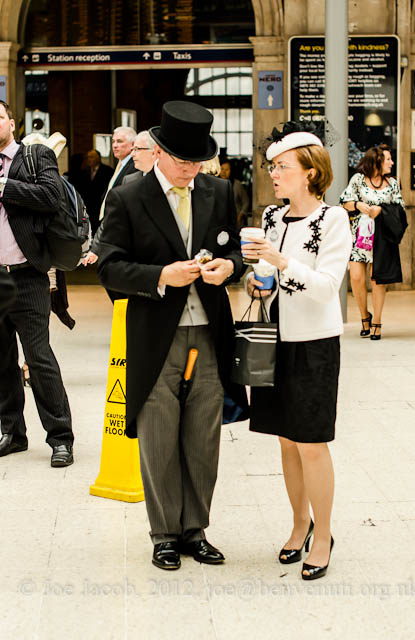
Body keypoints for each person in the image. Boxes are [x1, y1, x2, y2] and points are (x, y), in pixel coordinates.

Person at [98, 100, 247, 571]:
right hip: (155, 334)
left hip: (208, 330)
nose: (190, 171)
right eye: (182, 162)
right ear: (158, 151)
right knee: (158, 433)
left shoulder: (218, 192)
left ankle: (195, 530)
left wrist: (230, 267)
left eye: (197, 162)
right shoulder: (128, 197)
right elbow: (109, 268)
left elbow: (237, 249)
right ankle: (164, 533)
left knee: (204, 436)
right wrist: (162, 275)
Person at [243, 126, 351, 580]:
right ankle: (298, 523)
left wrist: (283, 262)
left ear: (310, 172)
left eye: (282, 167)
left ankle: (323, 534)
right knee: (286, 440)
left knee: (310, 442)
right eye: (272, 167)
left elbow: (327, 288)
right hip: (273, 341)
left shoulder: (333, 220)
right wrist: (255, 280)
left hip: (315, 344)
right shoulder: (270, 217)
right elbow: (263, 276)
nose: (274, 175)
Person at [0, 101, 74, 467]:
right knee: (1, 361)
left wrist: (4, 185)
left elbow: (51, 196)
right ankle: (12, 432)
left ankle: (61, 438)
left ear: (11, 122)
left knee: (38, 357)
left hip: (27, 275)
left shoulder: (35, 156)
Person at [340, 145, 406, 340]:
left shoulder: (392, 183)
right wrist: (357, 205)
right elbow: (344, 201)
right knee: (357, 278)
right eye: (388, 159)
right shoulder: (358, 180)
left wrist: (381, 209)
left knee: (377, 279)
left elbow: (400, 208)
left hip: (382, 238)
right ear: (376, 161)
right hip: (359, 237)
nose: (391, 163)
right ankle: (364, 316)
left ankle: (377, 322)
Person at [82, 126, 138, 270]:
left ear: (132, 144)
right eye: (113, 141)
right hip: (109, 222)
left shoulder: (135, 167)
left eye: (120, 141)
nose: (115, 145)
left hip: (120, 228)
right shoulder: (120, 164)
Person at [82, 149, 114, 234]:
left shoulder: (108, 171)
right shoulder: (84, 172)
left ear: (98, 158)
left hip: (100, 205)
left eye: (91, 157)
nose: (89, 159)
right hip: (88, 206)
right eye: (88, 157)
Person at [219, 159, 250, 228]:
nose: (224, 172)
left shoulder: (237, 184)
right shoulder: (215, 184)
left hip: (236, 222)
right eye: (222, 169)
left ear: (231, 171)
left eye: (227, 170)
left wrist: (240, 216)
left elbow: (246, 202)